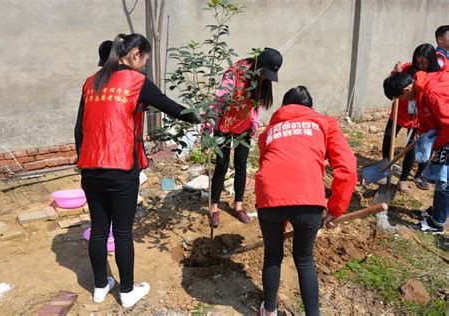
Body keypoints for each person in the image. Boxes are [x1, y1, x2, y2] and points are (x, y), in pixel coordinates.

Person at [74, 33, 199, 307]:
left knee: (98, 230)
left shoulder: (90, 82)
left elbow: (78, 129)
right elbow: (174, 108)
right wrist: (201, 115)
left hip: (91, 169)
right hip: (121, 168)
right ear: (135, 54)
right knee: (121, 233)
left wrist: (83, 161)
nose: (144, 65)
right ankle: (127, 292)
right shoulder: (137, 81)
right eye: (145, 60)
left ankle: (99, 287)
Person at [255, 86, 357, 315]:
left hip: (269, 198)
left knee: (272, 254)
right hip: (308, 199)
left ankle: (269, 311)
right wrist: (335, 209)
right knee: (304, 259)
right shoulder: (324, 123)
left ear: (284, 107)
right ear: (309, 107)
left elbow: (267, 164)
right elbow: (347, 168)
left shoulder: (269, 131)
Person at [210, 48, 283, 227]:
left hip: (243, 125)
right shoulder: (235, 73)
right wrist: (208, 124)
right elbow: (220, 99)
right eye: (265, 73)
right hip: (225, 124)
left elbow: (256, 103)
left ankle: (238, 206)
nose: (266, 78)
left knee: (241, 165)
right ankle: (214, 208)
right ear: (259, 66)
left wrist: (254, 123)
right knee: (221, 165)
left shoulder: (260, 78)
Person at [383, 63, 449, 234]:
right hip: (444, 132)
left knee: (444, 181)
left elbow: (447, 124)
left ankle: (437, 224)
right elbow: (431, 115)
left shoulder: (432, 92)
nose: (403, 102)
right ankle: (434, 213)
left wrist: (437, 145)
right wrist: (422, 131)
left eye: (401, 98)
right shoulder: (422, 88)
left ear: (406, 90)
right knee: (441, 176)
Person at [383, 44, 440, 192]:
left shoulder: (435, 76)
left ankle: (403, 179)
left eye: (424, 62)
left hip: (417, 117)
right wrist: (395, 73)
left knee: (411, 147)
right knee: (389, 138)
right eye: (418, 62)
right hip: (399, 112)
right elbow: (393, 85)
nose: (420, 66)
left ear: (431, 61)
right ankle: (384, 170)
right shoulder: (407, 68)